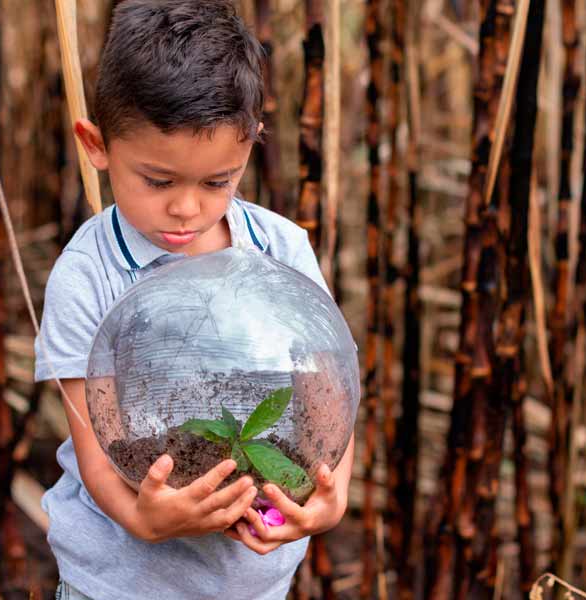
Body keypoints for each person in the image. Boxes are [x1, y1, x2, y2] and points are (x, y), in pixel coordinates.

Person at [34, 2, 353, 598]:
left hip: (254, 583)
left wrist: (331, 498)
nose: (186, 208)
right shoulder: (88, 274)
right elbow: (95, 447)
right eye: (158, 181)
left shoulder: (281, 247)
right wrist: (140, 518)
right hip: (119, 584)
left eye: (216, 182)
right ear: (96, 145)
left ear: (251, 145)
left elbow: (328, 392)